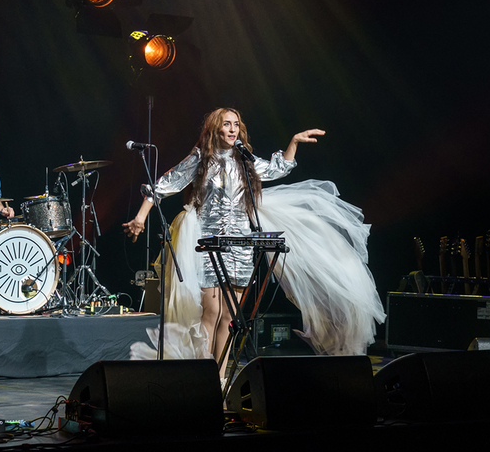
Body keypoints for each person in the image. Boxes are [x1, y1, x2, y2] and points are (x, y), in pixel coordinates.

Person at [124, 108, 385, 368]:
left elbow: (275, 170)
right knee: (211, 312)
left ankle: (221, 376)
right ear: (215, 129)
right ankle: (202, 374)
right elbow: (163, 185)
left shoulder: (244, 159)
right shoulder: (201, 158)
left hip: (240, 244)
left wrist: (293, 142)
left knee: (229, 315)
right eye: (226, 124)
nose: (232, 129)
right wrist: (140, 217)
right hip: (206, 242)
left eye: (236, 124)